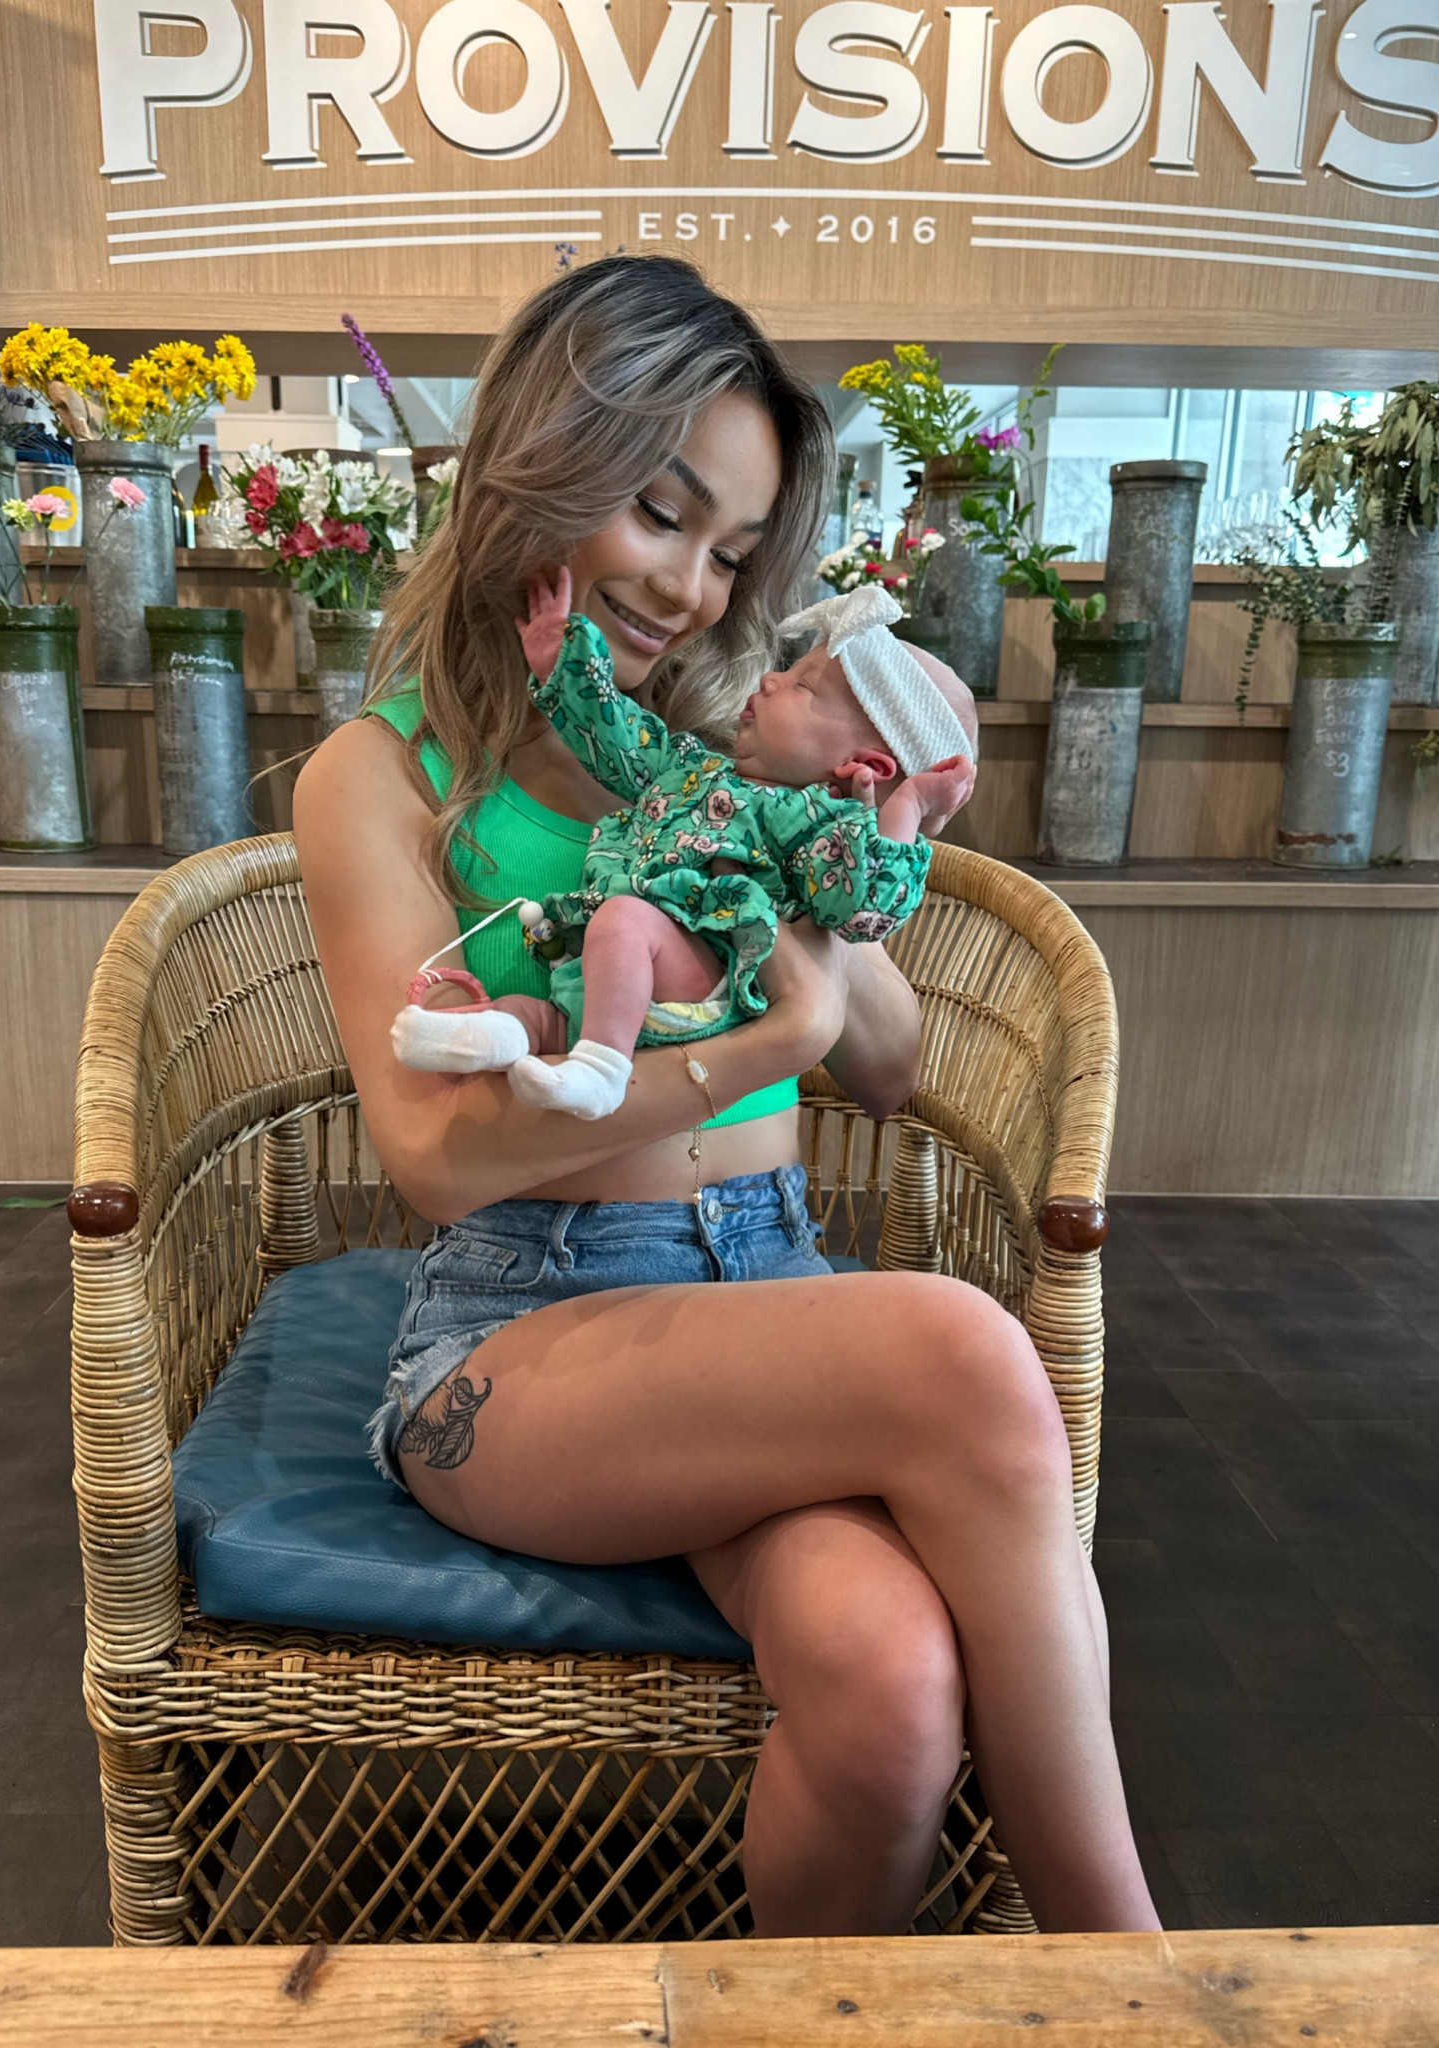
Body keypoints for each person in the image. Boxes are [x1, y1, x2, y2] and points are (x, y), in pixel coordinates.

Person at [294, 253, 1159, 1937]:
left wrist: (863, 842)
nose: (690, 585)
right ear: (543, 459)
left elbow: (896, 1064)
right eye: (659, 512)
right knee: (969, 1350)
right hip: (522, 1328)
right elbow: (432, 1160)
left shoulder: (705, 756)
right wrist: (761, 1041)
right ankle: (1132, 1972)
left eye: (735, 551)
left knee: (893, 1679)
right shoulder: (386, 778)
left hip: (764, 1292)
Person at [390, 574, 978, 1120]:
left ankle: (601, 1068)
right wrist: (563, 665)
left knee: (622, 922)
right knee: (538, 1006)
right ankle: (496, 1031)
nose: (771, 679)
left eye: (804, 687)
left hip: (699, 987)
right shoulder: (695, 768)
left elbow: (863, 906)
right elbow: (620, 738)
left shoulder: (811, 826)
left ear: (861, 765)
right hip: (614, 979)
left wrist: (907, 808)